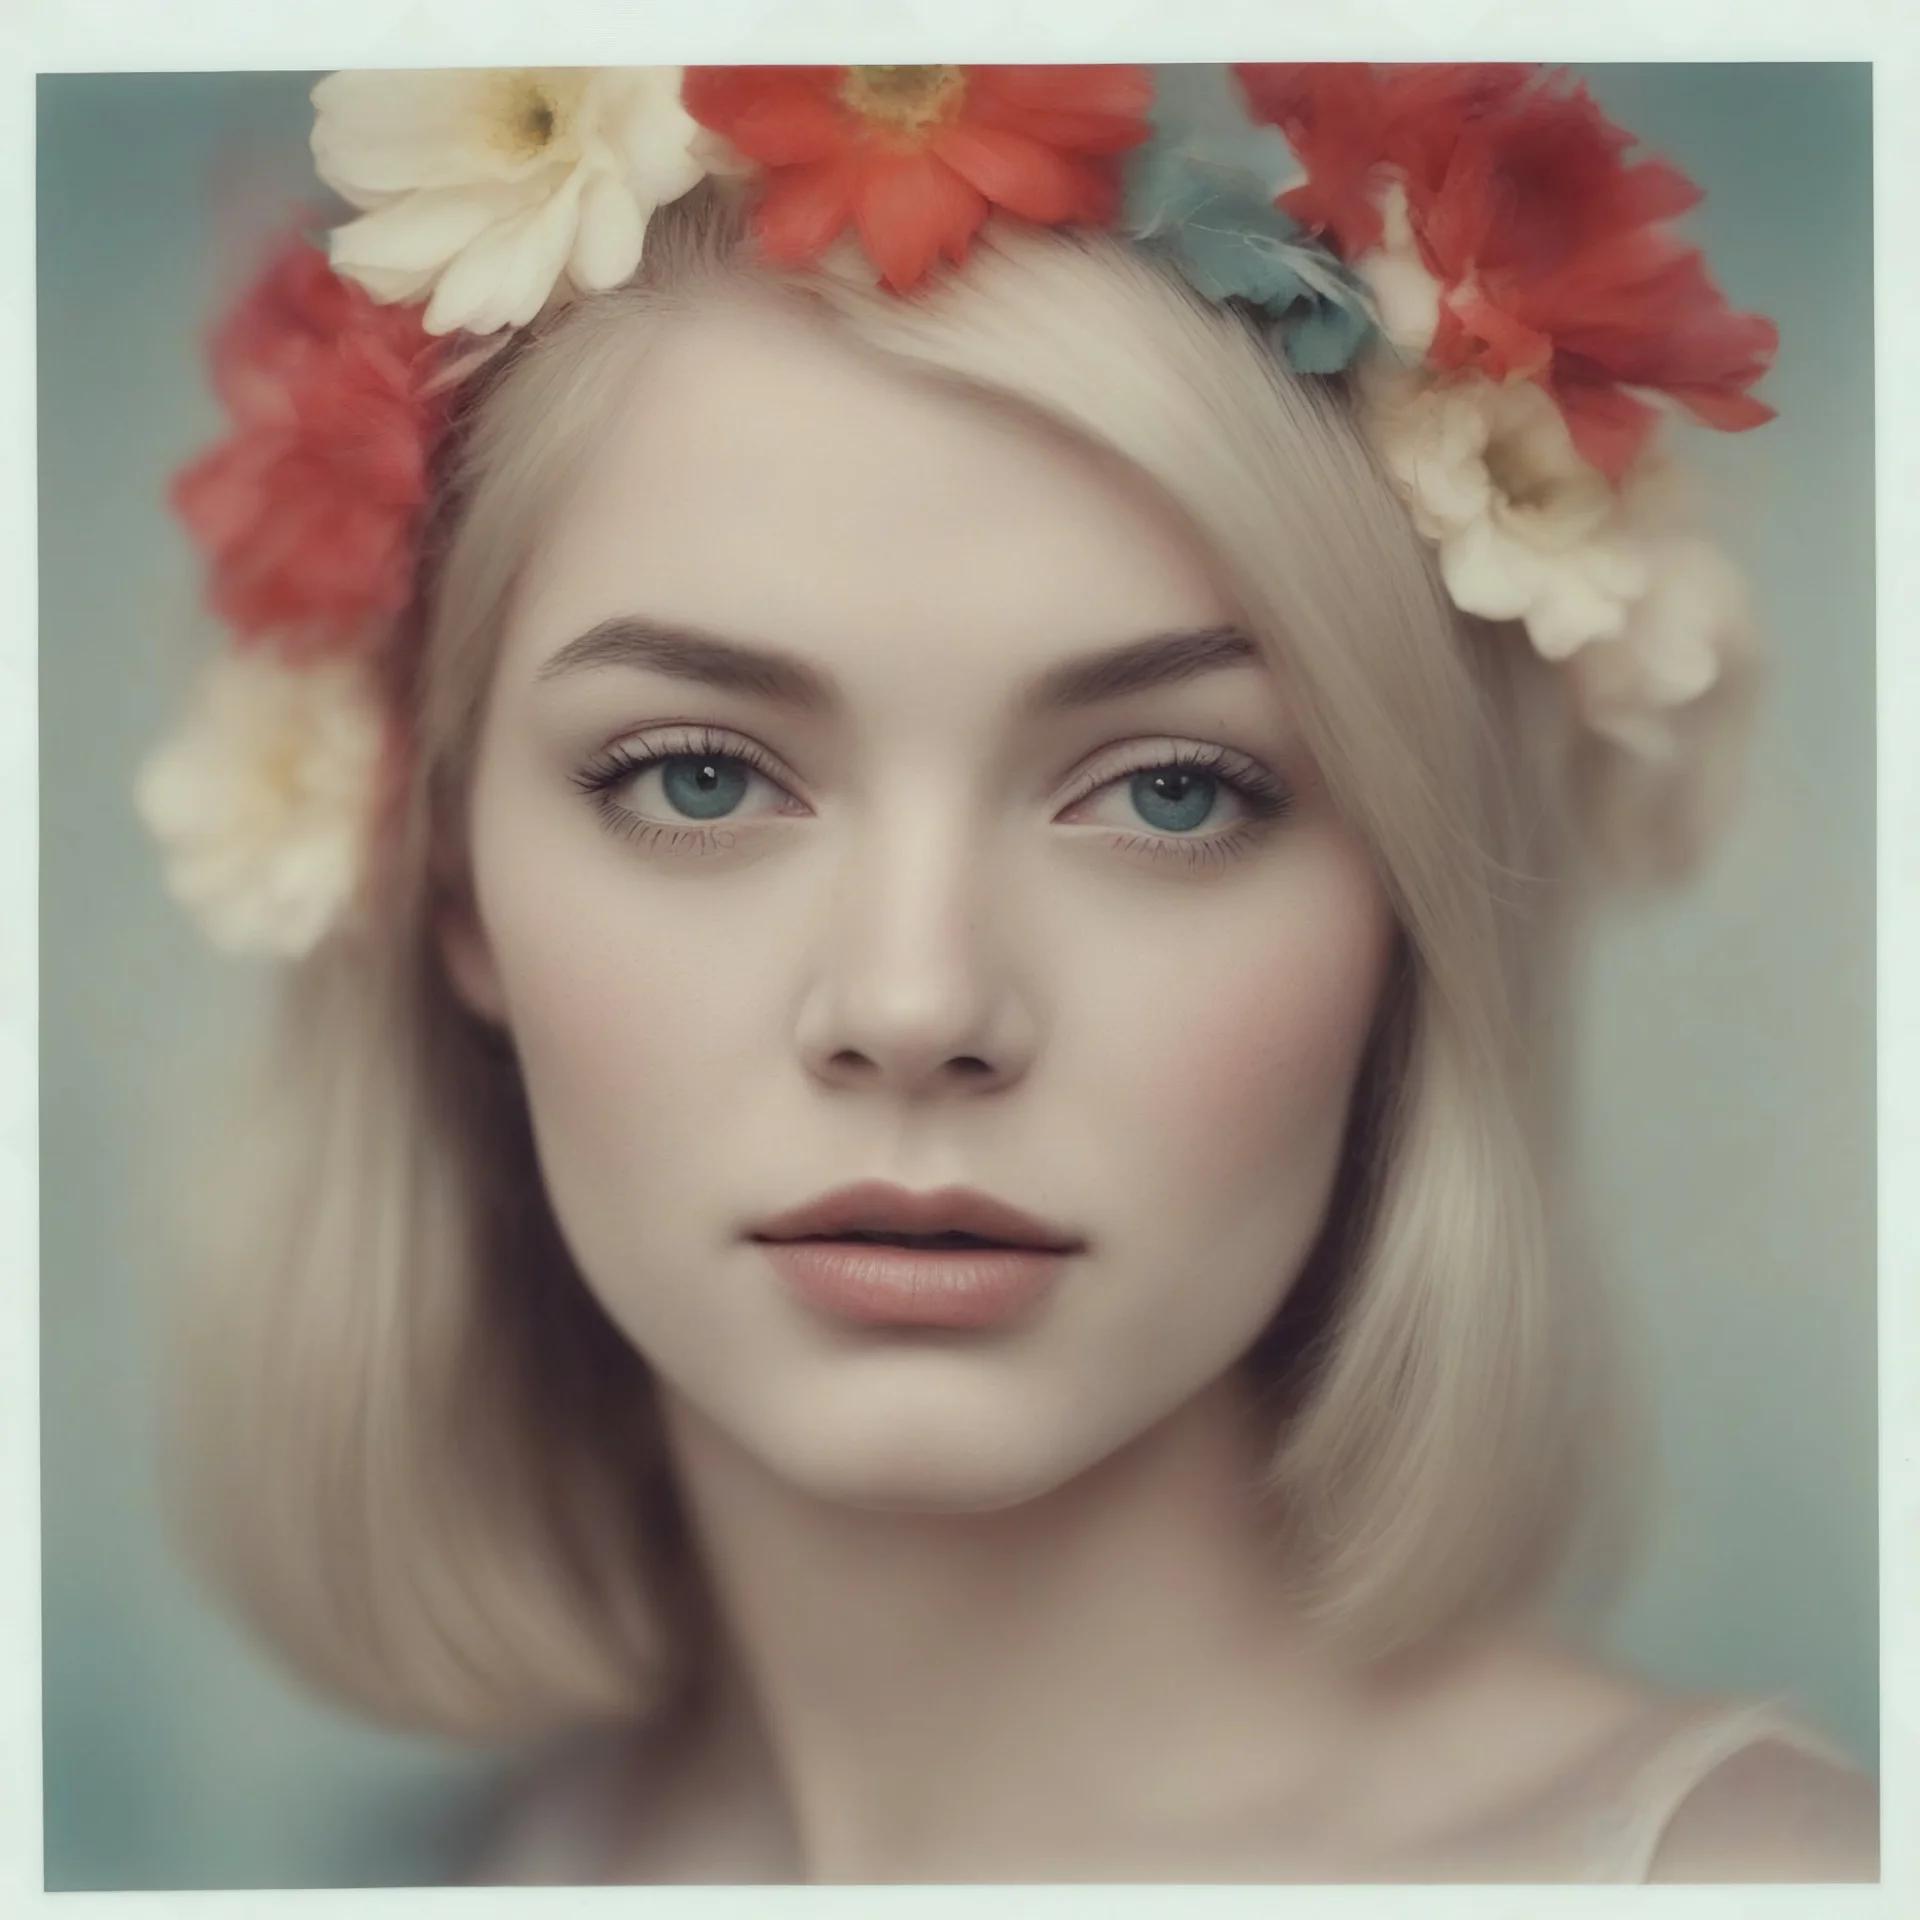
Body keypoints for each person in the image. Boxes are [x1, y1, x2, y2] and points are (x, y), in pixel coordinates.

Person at [134, 62, 1877, 1884]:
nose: (916, 1005)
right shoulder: (476, 1863)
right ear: (451, 882)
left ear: (1406, 912)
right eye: (698, 776)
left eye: (1173, 790)